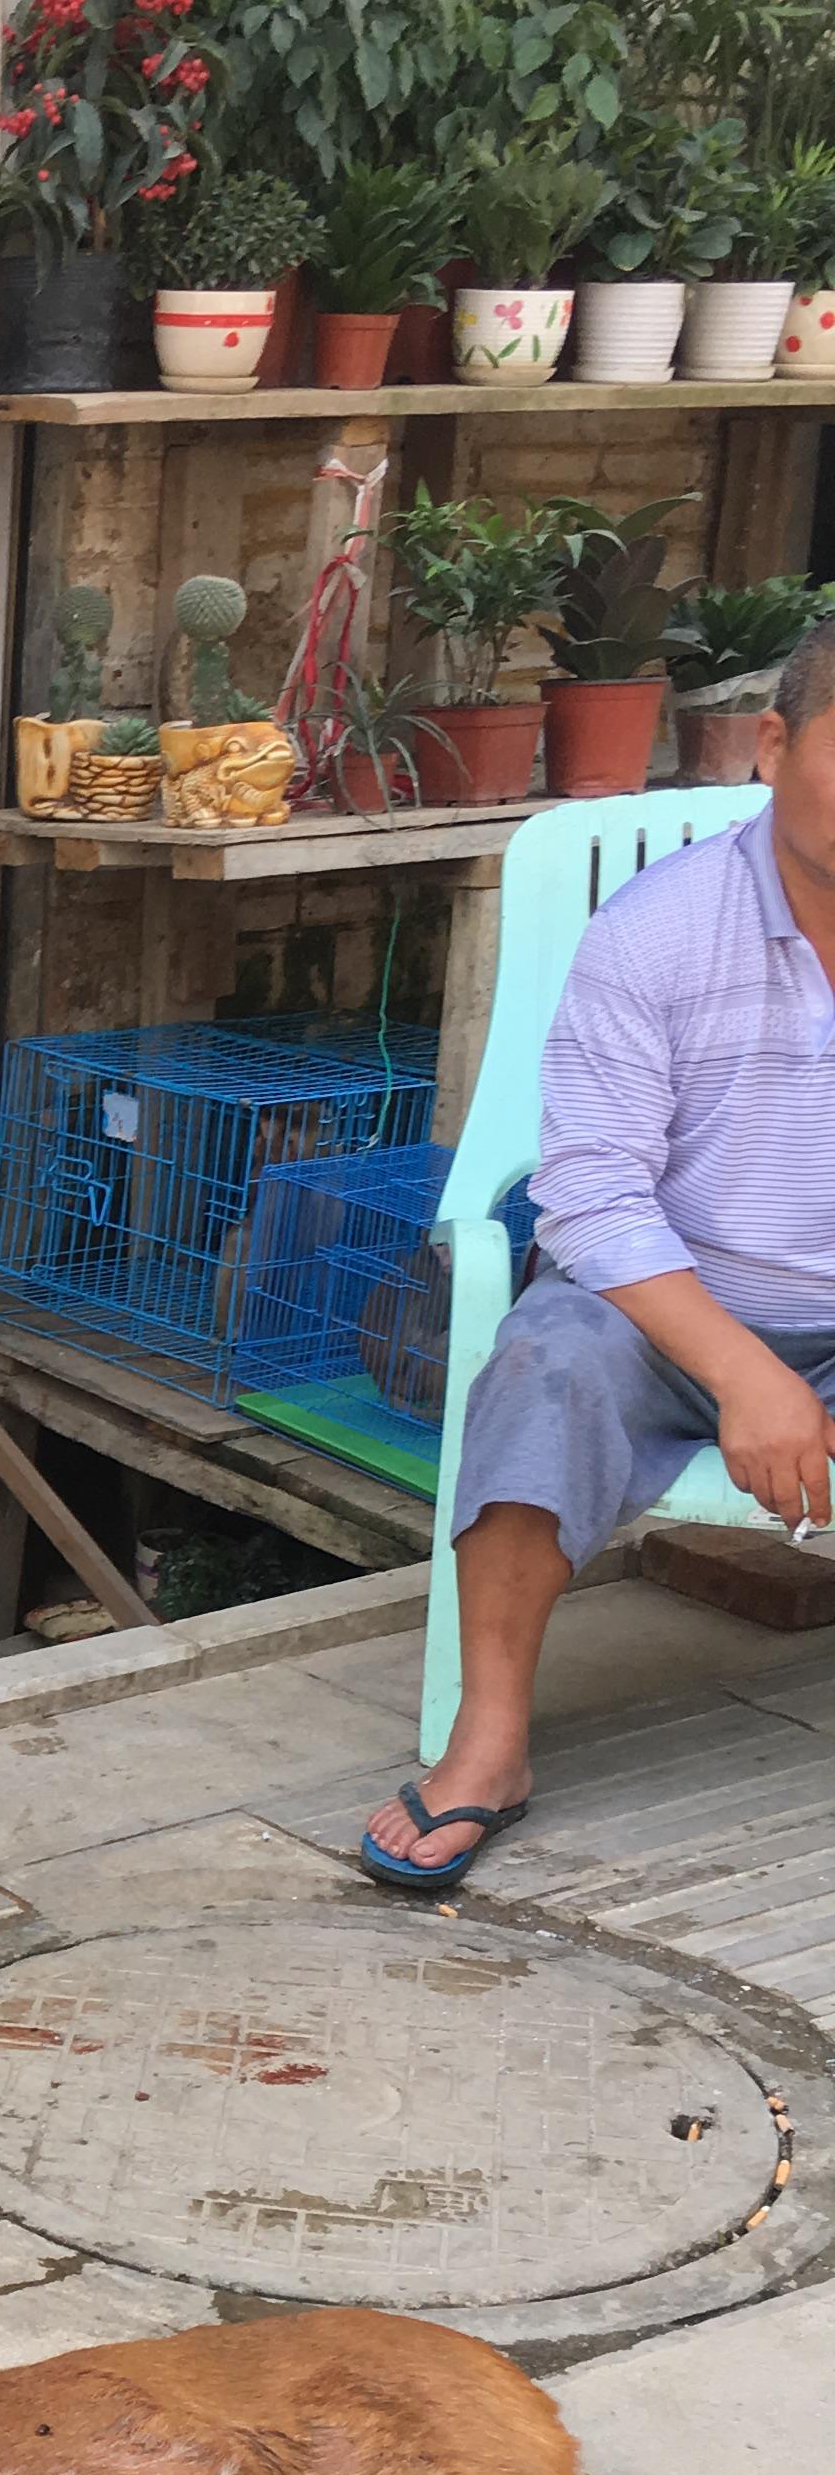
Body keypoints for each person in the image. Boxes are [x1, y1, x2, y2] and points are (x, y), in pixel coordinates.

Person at [360, 610, 835, 1889]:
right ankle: (490, 1741)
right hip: (673, 1320)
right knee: (545, 1357)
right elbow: (593, 1199)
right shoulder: (661, 930)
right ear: (777, 745)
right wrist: (746, 1374)